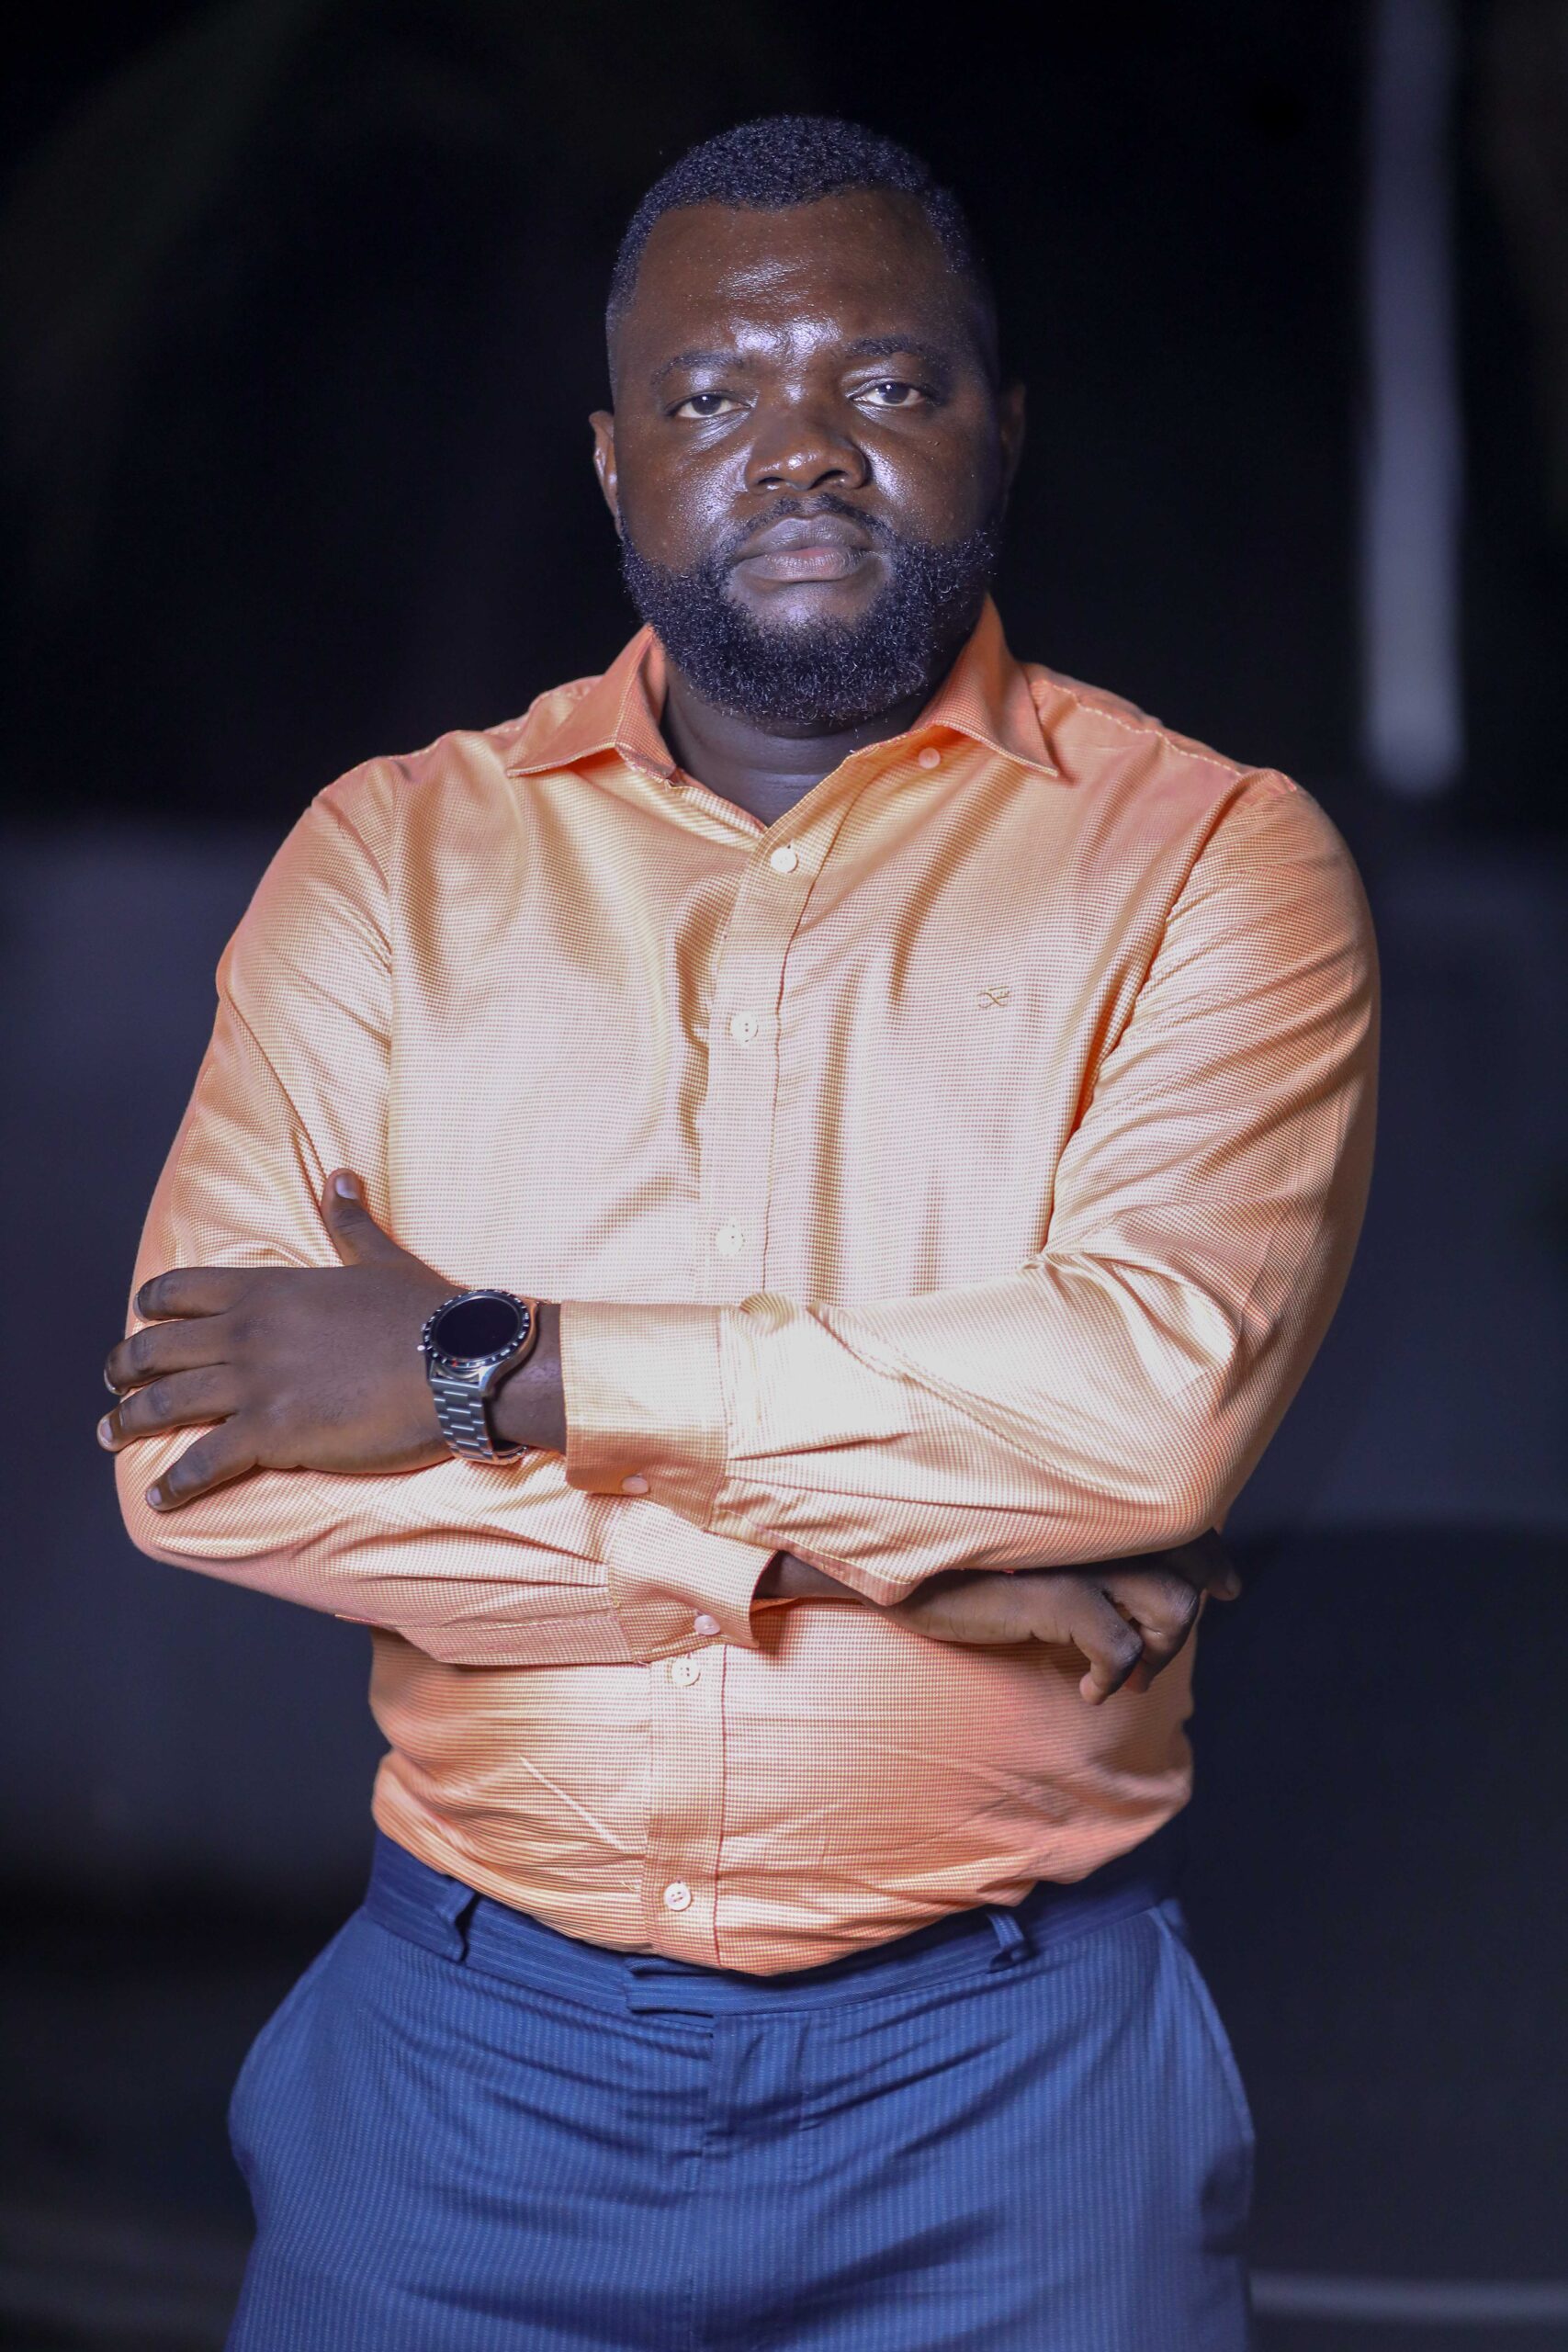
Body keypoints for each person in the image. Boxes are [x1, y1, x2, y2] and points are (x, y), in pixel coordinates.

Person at [100, 115, 1376, 2352]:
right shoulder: (389, 862)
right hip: (460, 2082)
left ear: (999, 429)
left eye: (882, 382)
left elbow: (1137, 1411)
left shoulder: (1210, 863)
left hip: (1012, 2098)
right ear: (615, 463)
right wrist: (853, 1557)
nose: (796, 446)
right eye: (711, 393)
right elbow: (197, 1455)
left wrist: (490, 1370)